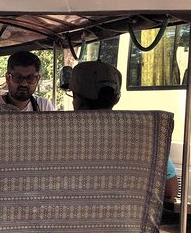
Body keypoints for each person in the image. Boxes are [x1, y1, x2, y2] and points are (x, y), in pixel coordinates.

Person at [69, 60, 178, 199]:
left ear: (79, 100)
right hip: (126, 219)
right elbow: (171, 190)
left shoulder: (61, 137)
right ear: (116, 99)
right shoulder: (142, 135)